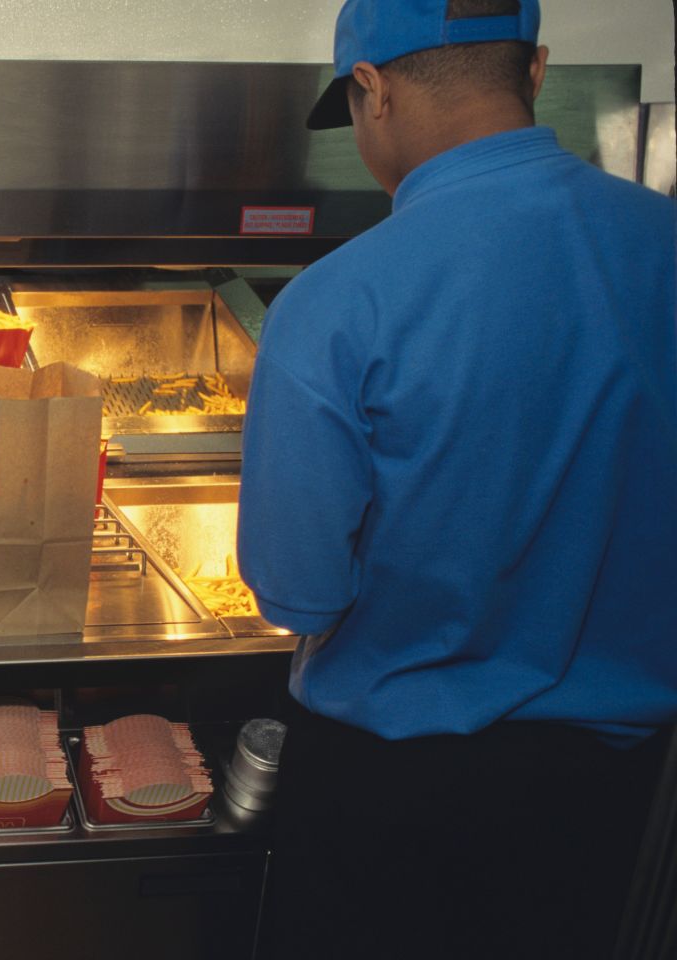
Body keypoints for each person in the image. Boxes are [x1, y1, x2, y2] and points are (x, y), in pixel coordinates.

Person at [236, 1, 677, 957]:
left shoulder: (334, 302)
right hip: (613, 793)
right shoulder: (664, 245)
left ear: (371, 90)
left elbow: (298, 591)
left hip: (392, 798)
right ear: (538, 67)